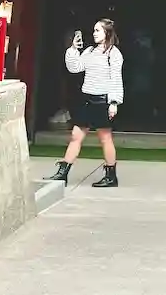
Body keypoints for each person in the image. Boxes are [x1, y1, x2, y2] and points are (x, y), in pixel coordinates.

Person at [51, 18, 124, 188]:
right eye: (94, 30)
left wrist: (114, 102)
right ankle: (63, 173)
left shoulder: (114, 54)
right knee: (76, 136)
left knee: (105, 138)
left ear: (107, 33)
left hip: (102, 100)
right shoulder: (90, 51)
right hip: (86, 99)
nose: (94, 33)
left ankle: (111, 176)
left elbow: (116, 79)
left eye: (98, 30)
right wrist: (73, 50)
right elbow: (75, 67)